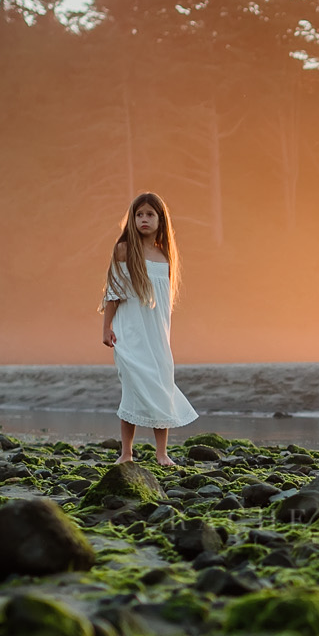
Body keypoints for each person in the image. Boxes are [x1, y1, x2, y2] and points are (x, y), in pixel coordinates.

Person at [100, 192, 197, 464]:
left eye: (150, 214)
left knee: (161, 384)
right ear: (132, 219)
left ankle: (162, 453)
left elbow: (164, 303)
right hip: (128, 332)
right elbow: (114, 292)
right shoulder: (124, 250)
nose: (144, 219)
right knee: (131, 387)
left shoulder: (165, 255)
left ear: (160, 219)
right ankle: (126, 453)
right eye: (139, 214)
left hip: (156, 334)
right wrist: (106, 327)